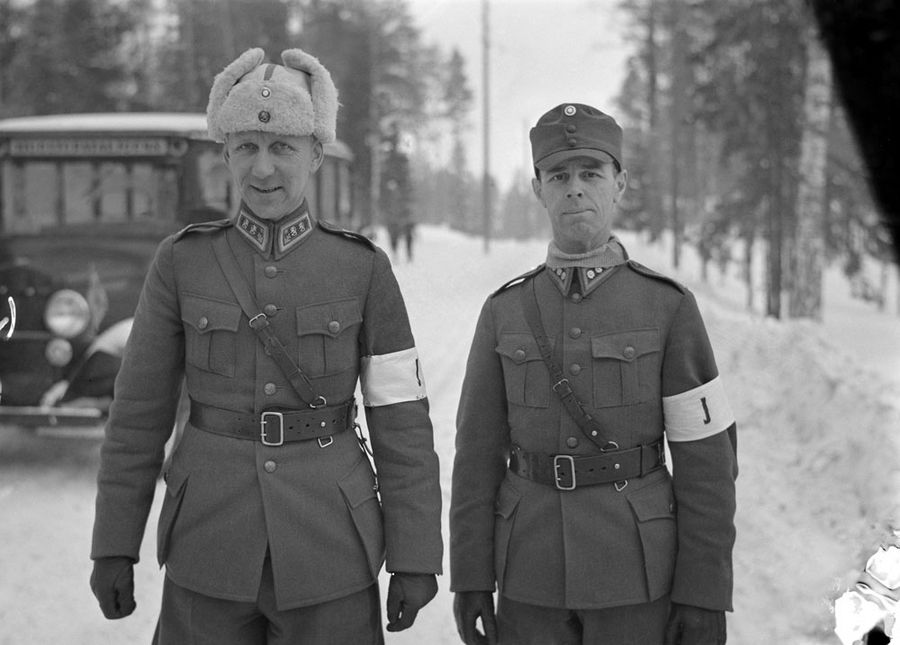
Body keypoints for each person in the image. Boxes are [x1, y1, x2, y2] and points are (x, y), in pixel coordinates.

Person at [89, 46, 442, 645]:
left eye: (282, 147)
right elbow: (137, 417)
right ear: (224, 153)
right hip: (208, 545)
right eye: (247, 147)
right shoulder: (182, 262)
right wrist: (114, 545)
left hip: (330, 546)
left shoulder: (363, 268)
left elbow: (400, 421)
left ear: (315, 153)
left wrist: (415, 554)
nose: (263, 169)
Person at [449, 103, 738, 645]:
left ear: (620, 183)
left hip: (636, 574)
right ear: (538, 188)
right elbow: (476, 456)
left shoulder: (668, 307)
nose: (574, 189)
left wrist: (703, 591)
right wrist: (470, 578)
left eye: (591, 173)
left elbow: (708, 462)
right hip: (528, 577)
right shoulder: (504, 311)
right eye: (558, 175)